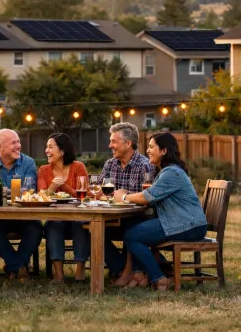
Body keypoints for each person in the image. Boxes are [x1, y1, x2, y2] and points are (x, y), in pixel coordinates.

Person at [113, 132, 207, 291]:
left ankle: (159, 278)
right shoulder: (167, 171)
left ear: (163, 151)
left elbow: (147, 197)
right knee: (132, 226)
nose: (148, 150)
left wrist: (124, 197)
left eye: (151, 147)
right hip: (181, 221)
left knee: (132, 236)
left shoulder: (171, 173)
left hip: (188, 225)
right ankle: (139, 274)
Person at [0, 129, 42, 283]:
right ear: (0, 146)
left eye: (19, 141)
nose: (18, 146)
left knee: (37, 227)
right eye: (13, 143)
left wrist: (1, 190)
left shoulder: (28, 162)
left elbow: (30, 189)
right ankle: (20, 266)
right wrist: (14, 190)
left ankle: (13, 266)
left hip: (24, 215)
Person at [98, 122, 154, 286]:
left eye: (114, 141)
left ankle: (130, 273)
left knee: (131, 225)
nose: (110, 145)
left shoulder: (144, 165)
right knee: (89, 229)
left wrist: (125, 196)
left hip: (139, 218)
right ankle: (123, 268)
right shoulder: (110, 164)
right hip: (113, 217)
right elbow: (100, 191)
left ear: (128, 143)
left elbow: (147, 199)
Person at [38, 133, 90, 283]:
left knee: (80, 224)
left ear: (62, 151)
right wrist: (53, 186)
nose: (46, 150)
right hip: (56, 217)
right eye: (46, 147)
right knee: (54, 224)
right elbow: (42, 196)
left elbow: (84, 195)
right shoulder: (43, 170)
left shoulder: (78, 167)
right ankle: (59, 274)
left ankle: (80, 271)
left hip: (77, 216)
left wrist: (64, 186)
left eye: (50, 147)